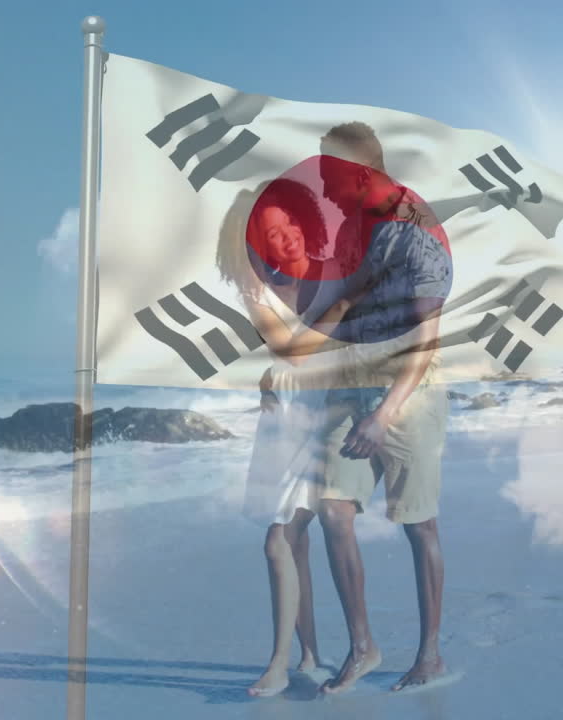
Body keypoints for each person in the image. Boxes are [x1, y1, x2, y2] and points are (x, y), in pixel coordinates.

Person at [313, 122, 454, 694]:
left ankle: (430, 655)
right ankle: (363, 647)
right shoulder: (352, 227)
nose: (323, 185)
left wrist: (384, 415)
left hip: (408, 395)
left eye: (332, 173)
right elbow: (341, 302)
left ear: (363, 174)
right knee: (332, 509)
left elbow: (427, 340)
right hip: (349, 381)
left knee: (418, 525)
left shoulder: (420, 232)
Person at [215, 178, 356, 697]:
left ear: (303, 221)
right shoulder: (254, 288)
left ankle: (281, 662)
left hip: (330, 412)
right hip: (285, 418)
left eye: (289, 224)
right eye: (270, 234)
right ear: (256, 243)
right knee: (289, 540)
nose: (285, 238)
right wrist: (338, 313)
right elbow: (289, 352)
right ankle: (309, 656)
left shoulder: (334, 272)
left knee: (282, 539)